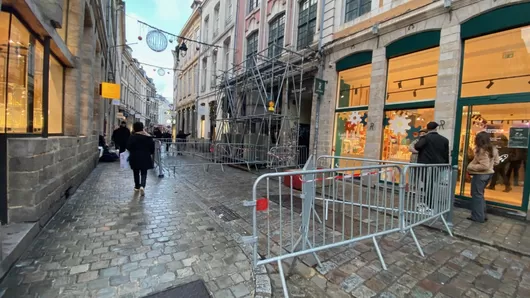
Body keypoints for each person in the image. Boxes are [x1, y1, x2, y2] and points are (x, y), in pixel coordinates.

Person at [414, 122, 450, 213]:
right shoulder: (444, 140)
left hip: (427, 165)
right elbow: (446, 154)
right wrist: (445, 165)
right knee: (433, 184)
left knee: (428, 184)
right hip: (438, 165)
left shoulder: (425, 138)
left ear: (427, 128)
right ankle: (430, 203)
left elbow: (417, 146)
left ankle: (429, 204)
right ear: (436, 128)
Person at [467, 131, 499, 223]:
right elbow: (496, 161)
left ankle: (478, 216)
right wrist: (490, 166)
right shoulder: (493, 148)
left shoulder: (481, 150)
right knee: (480, 195)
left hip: (481, 175)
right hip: (489, 174)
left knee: (476, 195)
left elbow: (484, 166)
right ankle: (482, 215)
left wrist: (471, 167)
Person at [126, 122, 155, 196]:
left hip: (135, 156)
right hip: (145, 156)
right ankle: (142, 185)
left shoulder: (132, 137)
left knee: (136, 171)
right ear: (142, 128)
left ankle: (137, 186)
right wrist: (149, 153)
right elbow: (152, 148)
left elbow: (128, 147)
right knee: (144, 172)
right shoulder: (148, 137)